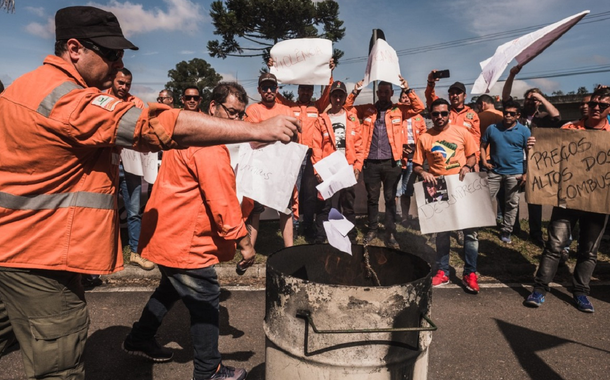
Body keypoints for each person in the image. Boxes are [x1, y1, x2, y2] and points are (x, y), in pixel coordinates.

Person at [0, 6, 298, 379]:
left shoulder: (22, 88)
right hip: (42, 255)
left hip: (19, 246)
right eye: (110, 53)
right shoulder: (67, 100)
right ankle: (208, 370)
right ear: (74, 48)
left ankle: (142, 338)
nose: (118, 63)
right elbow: (157, 126)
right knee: (58, 367)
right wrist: (258, 130)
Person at [123, 82, 252, 380]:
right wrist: (244, 242)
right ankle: (210, 370)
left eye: (239, 116)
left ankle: (139, 338)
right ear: (213, 108)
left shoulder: (187, 137)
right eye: (231, 112)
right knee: (206, 298)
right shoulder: (209, 146)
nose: (235, 121)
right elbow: (222, 201)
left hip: (167, 234)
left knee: (170, 288)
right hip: (185, 240)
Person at [524, 87, 610, 313]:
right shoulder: (568, 129)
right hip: (567, 200)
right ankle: (540, 289)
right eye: (593, 105)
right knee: (554, 246)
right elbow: (548, 155)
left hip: (598, 203)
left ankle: (581, 293)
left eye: (602, 106)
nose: (596, 108)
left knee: (589, 251)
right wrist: (535, 147)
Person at [346, 76, 424, 248]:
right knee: (372, 198)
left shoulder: (399, 110)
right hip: (371, 162)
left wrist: (408, 90)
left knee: (390, 198)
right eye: (380, 92)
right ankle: (372, 229)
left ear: (391, 93)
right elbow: (347, 108)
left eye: (386, 92)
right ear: (377, 93)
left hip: (391, 163)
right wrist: (355, 91)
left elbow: (419, 107)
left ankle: (390, 232)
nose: (382, 95)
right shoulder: (367, 109)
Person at [412, 98, 480, 293]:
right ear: (430, 115)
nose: (439, 117)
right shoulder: (425, 137)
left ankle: (470, 273)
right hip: (439, 188)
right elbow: (416, 164)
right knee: (442, 233)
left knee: (470, 232)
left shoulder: (462, 132)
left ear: (449, 114)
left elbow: (472, 155)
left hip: (461, 185)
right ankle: (442, 272)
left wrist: (467, 166)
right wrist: (423, 172)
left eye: (443, 113)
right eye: (435, 114)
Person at [268, 58, 334, 240]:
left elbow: (328, 94)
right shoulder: (289, 106)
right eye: (303, 89)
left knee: (310, 194)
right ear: (298, 91)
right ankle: (294, 226)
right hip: (293, 154)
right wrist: (272, 68)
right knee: (293, 190)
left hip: (312, 156)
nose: (306, 92)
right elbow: (276, 95)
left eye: (309, 89)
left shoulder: (317, 107)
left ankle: (308, 225)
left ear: (312, 91)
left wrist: (329, 73)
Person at [503, 65, 561, 246]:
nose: (530, 102)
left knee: (534, 197)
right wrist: (511, 75)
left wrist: (540, 97)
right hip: (516, 159)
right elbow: (505, 98)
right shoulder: (517, 114)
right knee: (513, 196)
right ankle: (515, 227)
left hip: (535, 161)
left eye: (533, 100)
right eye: (528, 98)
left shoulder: (543, 117)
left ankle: (536, 233)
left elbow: (557, 116)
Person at [106, 68, 154, 271]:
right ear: (112, 81)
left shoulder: (137, 103)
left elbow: (143, 130)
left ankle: (135, 252)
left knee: (134, 211)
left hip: (131, 166)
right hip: (106, 166)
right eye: (121, 83)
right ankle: (105, 255)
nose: (124, 87)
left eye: (128, 84)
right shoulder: (102, 100)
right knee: (104, 212)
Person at [245, 73, 297, 248]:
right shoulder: (252, 110)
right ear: (259, 90)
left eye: (272, 87)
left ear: (277, 89)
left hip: (282, 169)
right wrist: (278, 136)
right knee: (255, 210)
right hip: (259, 168)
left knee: (286, 209)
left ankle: (289, 251)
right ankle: (249, 250)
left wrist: (265, 134)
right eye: (265, 87)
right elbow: (253, 140)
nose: (269, 90)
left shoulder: (287, 110)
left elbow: (294, 139)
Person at [311, 81, 364, 243]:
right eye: (335, 95)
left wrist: (357, 166)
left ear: (344, 97)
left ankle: (349, 236)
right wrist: (317, 170)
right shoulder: (321, 120)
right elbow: (316, 147)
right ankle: (321, 237)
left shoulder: (352, 119)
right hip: (328, 169)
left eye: (341, 96)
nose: (338, 99)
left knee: (347, 204)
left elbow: (359, 145)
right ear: (331, 97)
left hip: (347, 168)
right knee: (324, 205)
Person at [480, 100, 530, 244]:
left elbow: (529, 152)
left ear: (517, 115)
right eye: (506, 112)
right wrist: (484, 161)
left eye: (512, 114)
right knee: (483, 198)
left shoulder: (524, 131)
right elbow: (483, 146)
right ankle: (477, 226)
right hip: (494, 171)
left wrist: (527, 173)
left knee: (512, 203)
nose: (507, 115)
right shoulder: (492, 128)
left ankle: (506, 230)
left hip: (515, 173)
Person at [426, 71, 481, 160]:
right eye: (452, 93)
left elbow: (475, 138)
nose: (454, 95)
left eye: (458, 93)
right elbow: (430, 98)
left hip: (465, 158)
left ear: (465, 96)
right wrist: (430, 83)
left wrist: (476, 159)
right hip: (445, 156)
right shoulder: (443, 111)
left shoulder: (472, 115)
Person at [396, 88, 427, 226]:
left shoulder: (419, 118)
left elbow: (424, 136)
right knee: (396, 189)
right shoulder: (396, 115)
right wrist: (401, 146)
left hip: (413, 157)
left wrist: (416, 149)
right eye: (404, 97)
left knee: (407, 190)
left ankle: (405, 217)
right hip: (398, 157)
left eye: (408, 97)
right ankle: (397, 215)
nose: (406, 99)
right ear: (400, 100)